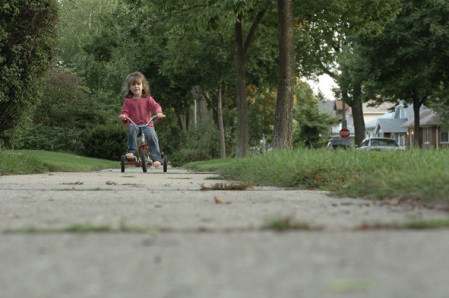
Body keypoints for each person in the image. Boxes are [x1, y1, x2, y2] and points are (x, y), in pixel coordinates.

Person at [119, 71, 164, 168]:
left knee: (152, 135)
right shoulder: (128, 101)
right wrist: (123, 115)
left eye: (138, 84)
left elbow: (155, 106)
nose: (136, 86)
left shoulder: (148, 99)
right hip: (135, 125)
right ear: (129, 87)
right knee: (131, 127)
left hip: (147, 125)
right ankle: (131, 151)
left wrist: (158, 113)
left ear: (143, 86)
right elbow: (125, 111)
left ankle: (156, 159)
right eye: (133, 84)